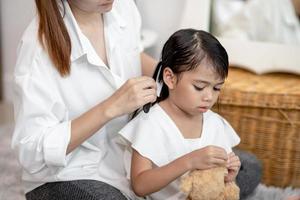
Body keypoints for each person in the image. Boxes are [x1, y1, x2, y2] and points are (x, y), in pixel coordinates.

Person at [11, 0, 158, 199]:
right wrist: (110, 107)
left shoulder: (122, 7)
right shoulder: (37, 49)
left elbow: (132, 52)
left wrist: (174, 74)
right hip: (64, 175)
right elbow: (31, 152)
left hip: (119, 159)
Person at [119, 29, 241, 199]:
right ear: (170, 78)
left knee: (249, 168)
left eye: (217, 88)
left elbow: (213, 180)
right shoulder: (151, 123)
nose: (209, 97)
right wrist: (189, 161)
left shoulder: (214, 123)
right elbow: (139, 185)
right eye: (199, 87)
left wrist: (228, 176)